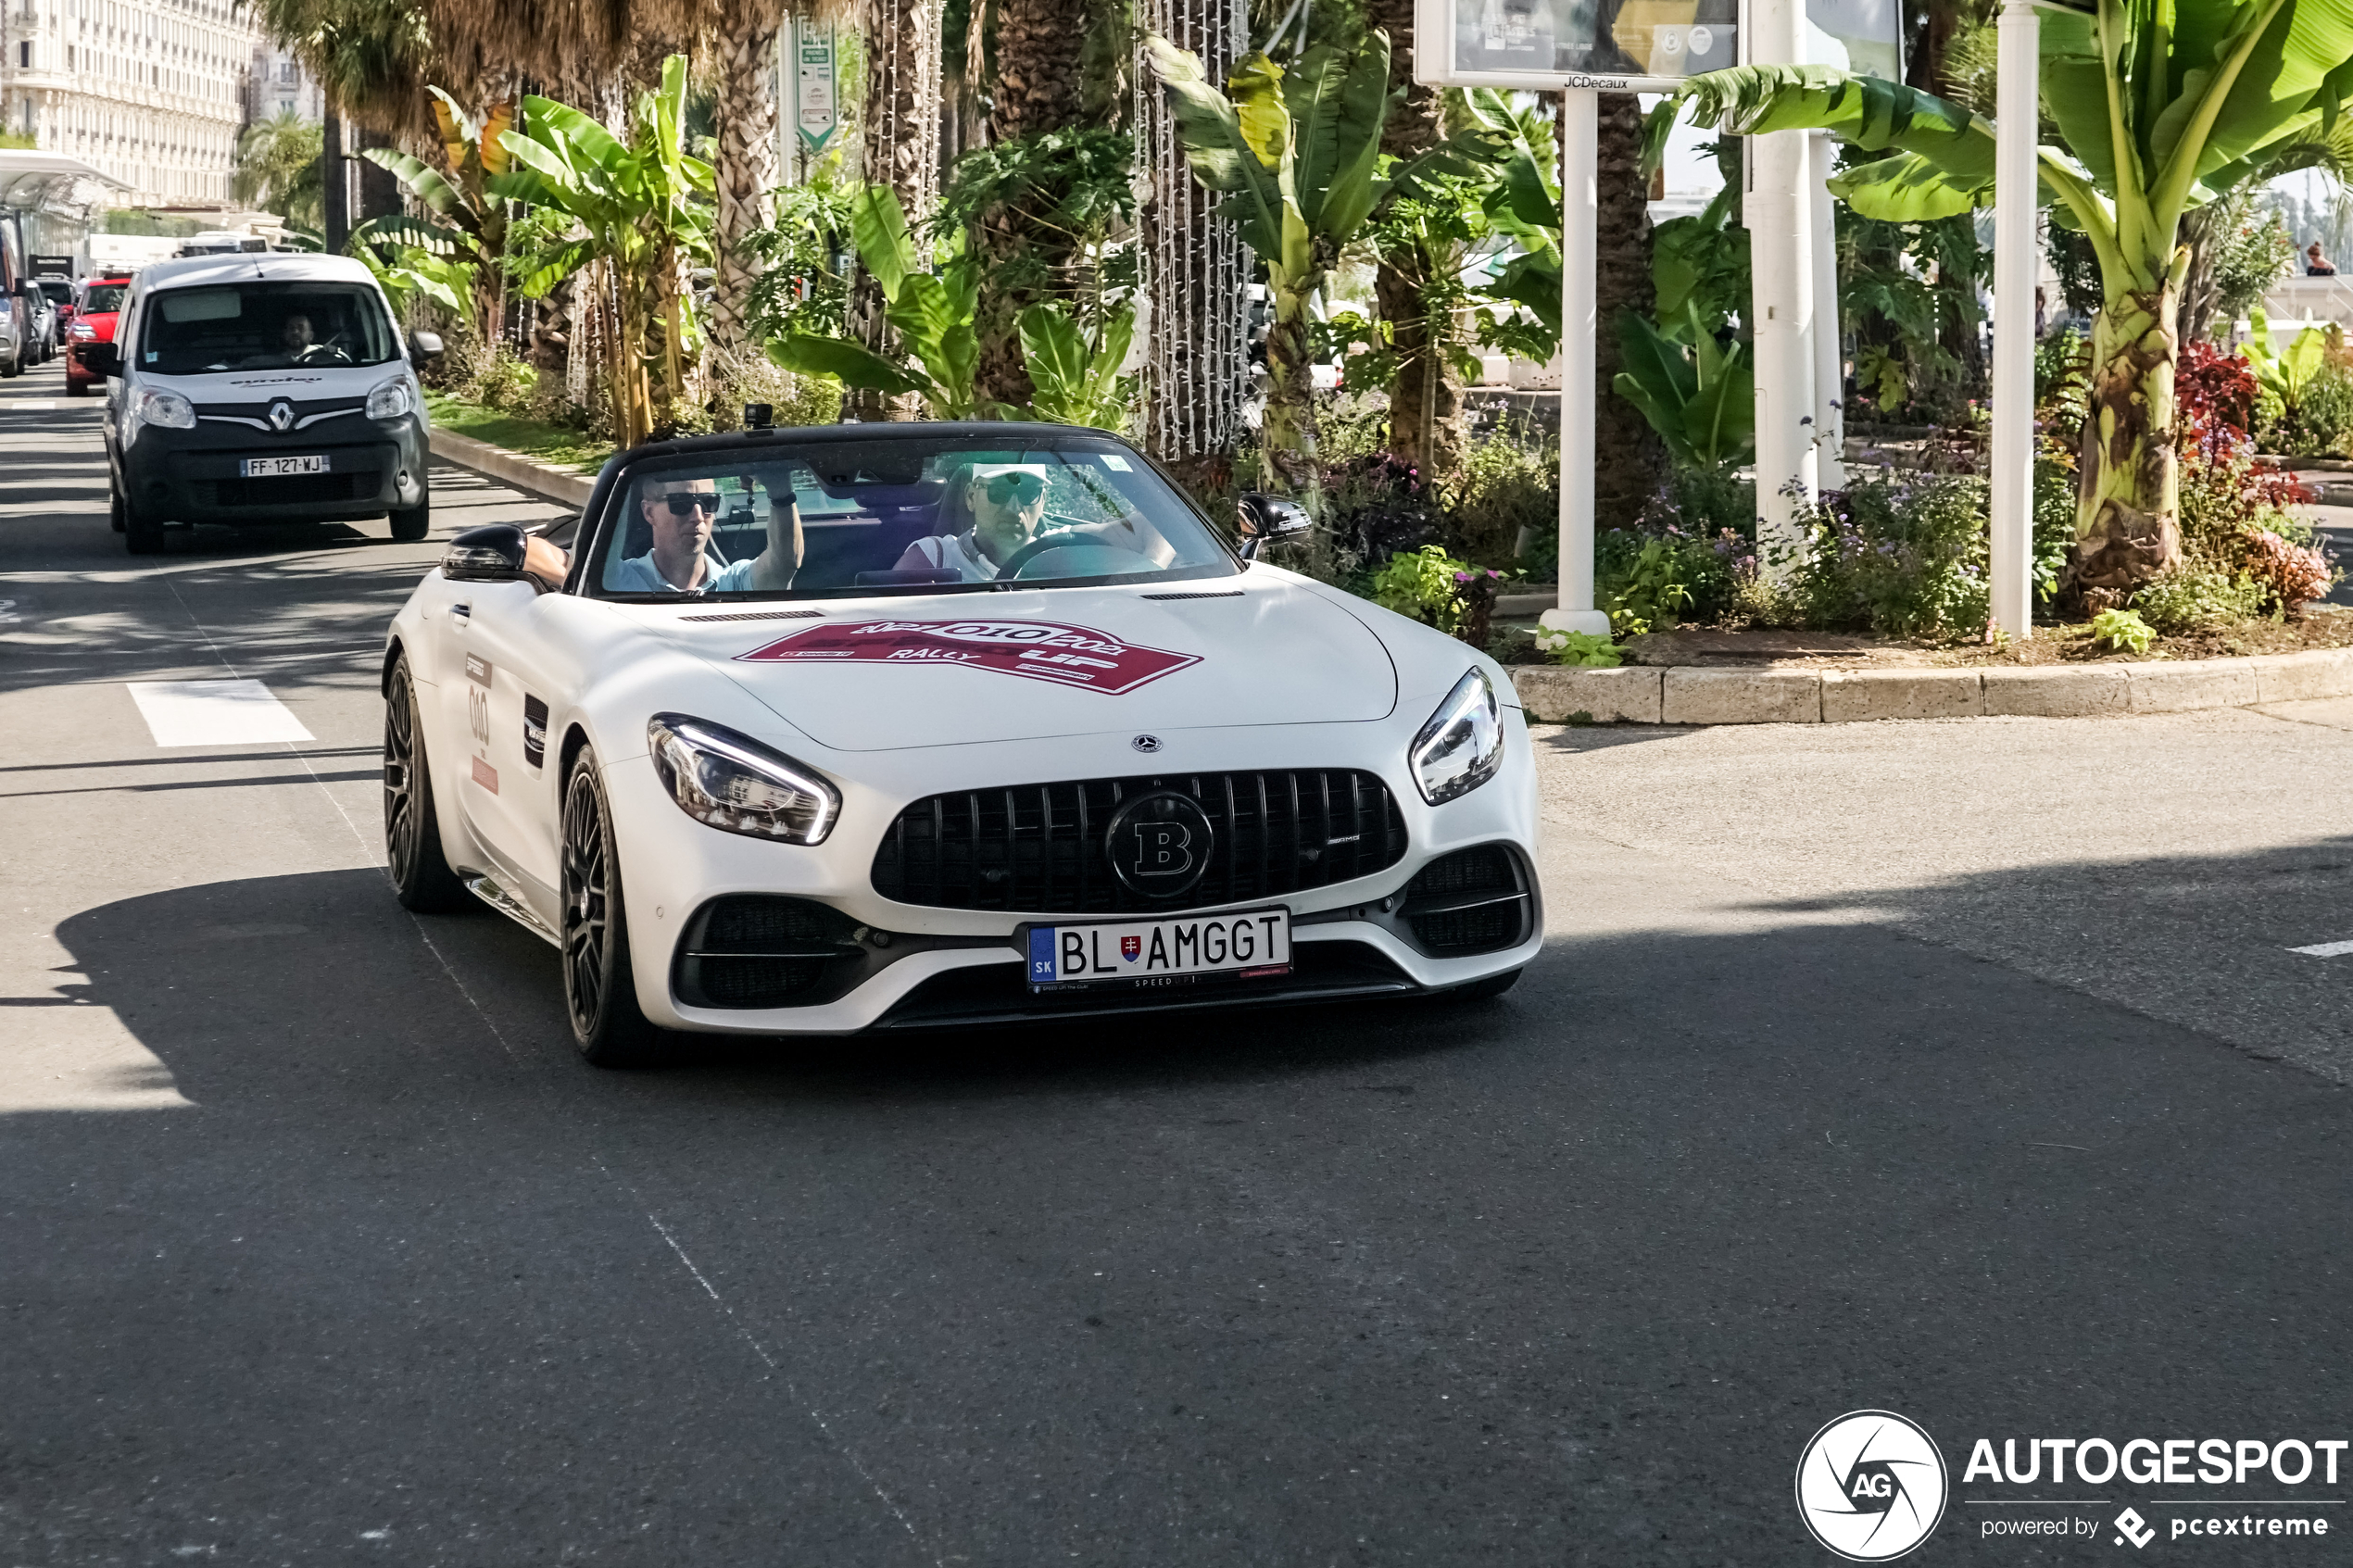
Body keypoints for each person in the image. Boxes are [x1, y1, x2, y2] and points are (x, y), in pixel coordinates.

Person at [606, 475, 801, 594]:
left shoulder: (733, 582)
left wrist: (780, 489)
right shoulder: (616, 580)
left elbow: (784, 563)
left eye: (708, 502)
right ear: (649, 512)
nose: (698, 516)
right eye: (681, 503)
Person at [894, 466, 1050, 581]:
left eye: (1029, 493)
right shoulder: (934, 559)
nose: (1013, 508)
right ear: (971, 496)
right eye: (999, 492)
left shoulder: (1057, 556)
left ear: (1042, 502)